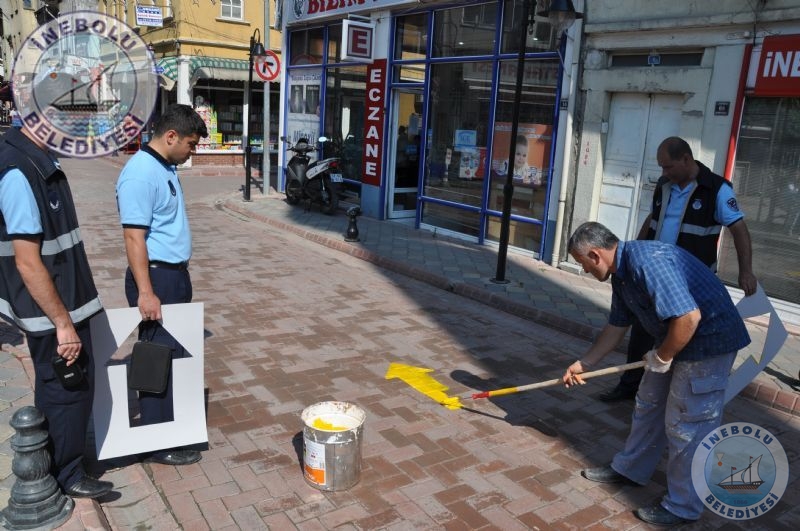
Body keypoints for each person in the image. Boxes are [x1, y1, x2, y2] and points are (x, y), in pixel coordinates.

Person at [563, 222, 750, 526]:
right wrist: (584, 363)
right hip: (674, 339)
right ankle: (630, 469)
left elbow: (689, 317)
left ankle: (683, 506)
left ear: (595, 255)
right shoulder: (621, 276)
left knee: (688, 424)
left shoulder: (648, 263)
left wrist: (663, 356)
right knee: (648, 404)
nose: (583, 271)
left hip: (709, 343)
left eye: (581, 263)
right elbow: (616, 326)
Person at [0, 87, 113, 498]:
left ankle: (59, 464)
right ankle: (65, 475)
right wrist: (63, 324)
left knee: (65, 387)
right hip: (52, 312)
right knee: (65, 389)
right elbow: (28, 261)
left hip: (63, 302)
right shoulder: (18, 170)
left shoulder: (36, 160)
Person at [599, 136, 757, 402]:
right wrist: (633, 251)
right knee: (642, 328)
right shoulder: (664, 186)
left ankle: (673, 392)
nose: (664, 173)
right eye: (662, 167)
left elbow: (739, 230)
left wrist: (746, 271)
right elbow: (653, 219)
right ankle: (629, 387)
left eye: (668, 167)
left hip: (689, 280)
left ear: (686, 159)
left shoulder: (717, 189)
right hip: (653, 275)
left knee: (682, 331)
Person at [115, 103, 208, 466]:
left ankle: (172, 427)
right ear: (171, 136)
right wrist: (146, 292)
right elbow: (134, 238)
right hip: (156, 278)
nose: (192, 151)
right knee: (156, 357)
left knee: (173, 356)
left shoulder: (163, 166)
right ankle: (157, 440)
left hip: (173, 275)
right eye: (191, 144)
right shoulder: (140, 174)